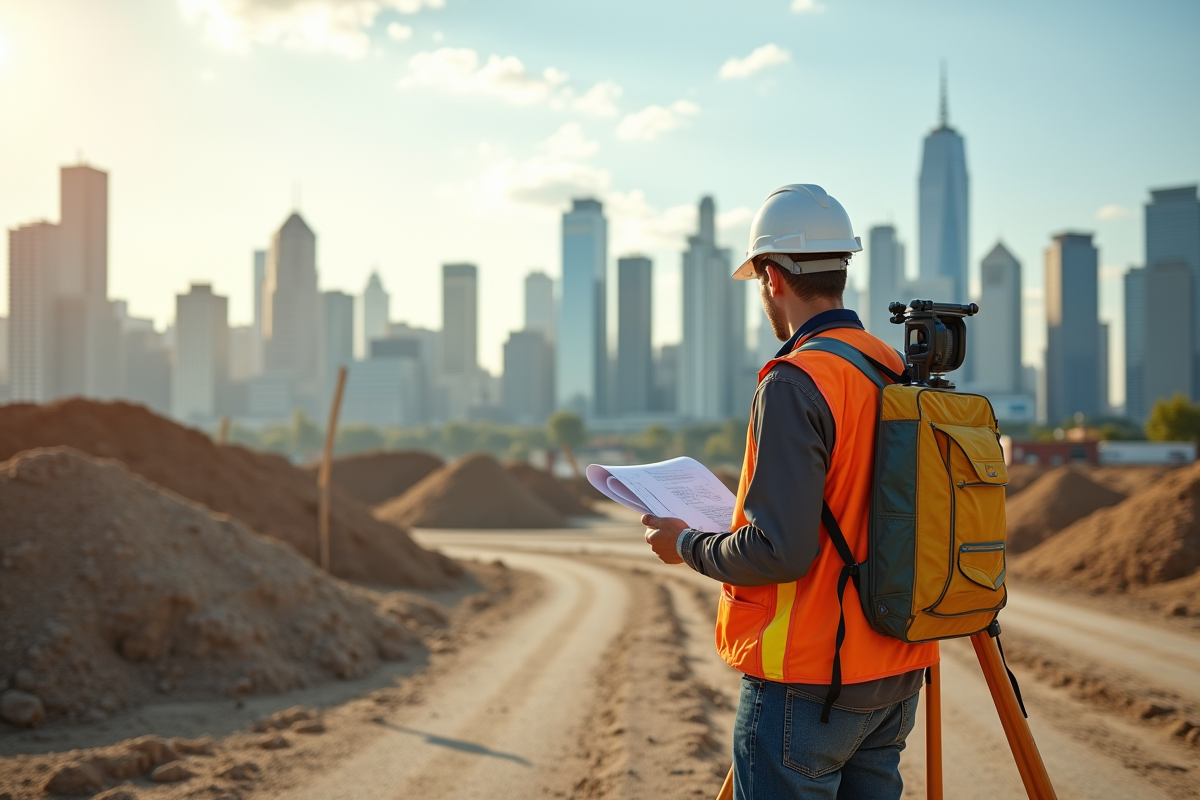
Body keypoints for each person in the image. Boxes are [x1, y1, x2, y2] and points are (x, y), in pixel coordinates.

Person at [642, 184, 939, 799]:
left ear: (772, 277)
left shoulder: (795, 380)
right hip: (893, 674)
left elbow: (781, 551)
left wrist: (688, 544)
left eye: (757, 281)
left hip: (808, 685)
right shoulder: (890, 366)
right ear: (841, 268)